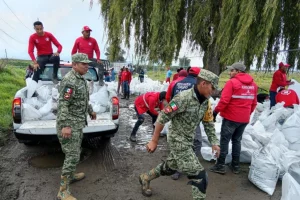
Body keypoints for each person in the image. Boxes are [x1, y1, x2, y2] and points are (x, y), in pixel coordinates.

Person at [139, 69, 220, 200]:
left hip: (188, 140)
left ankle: (146, 177)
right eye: (213, 87)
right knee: (199, 175)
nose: (214, 90)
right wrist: (154, 140)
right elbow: (163, 116)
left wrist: (214, 143)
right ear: (204, 83)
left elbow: (208, 123)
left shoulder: (206, 102)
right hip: (177, 140)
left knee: (170, 167)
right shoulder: (182, 98)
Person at [56, 53, 97, 200]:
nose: (87, 66)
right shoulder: (69, 81)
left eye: (87, 63)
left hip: (78, 123)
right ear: (74, 65)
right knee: (72, 155)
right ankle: (62, 191)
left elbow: (83, 99)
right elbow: (63, 104)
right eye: (83, 64)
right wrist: (66, 126)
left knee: (75, 152)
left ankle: (71, 175)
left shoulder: (81, 79)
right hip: (70, 125)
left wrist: (91, 111)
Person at [210, 62, 257, 175]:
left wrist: (216, 112)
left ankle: (220, 165)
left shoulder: (232, 83)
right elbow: (254, 103)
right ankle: (235, 166)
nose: (230, 73)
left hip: (231, 117)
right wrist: (246, 114)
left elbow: (224, 100)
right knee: (237, 141)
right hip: (244, 119)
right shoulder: (253, 85)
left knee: (224, 141)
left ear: (238, 71)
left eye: (232, 70)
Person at [168, 67, 202, 180]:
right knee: (196, 142)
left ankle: (176, 170)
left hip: (178, 119)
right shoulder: (198, 86)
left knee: (179, 144)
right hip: (192, 120)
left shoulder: (177, 84)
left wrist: (172, 114)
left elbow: (172, 101)